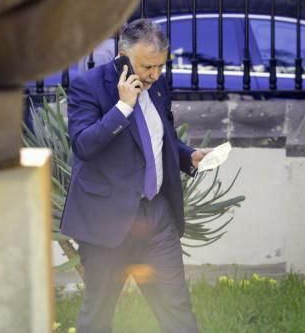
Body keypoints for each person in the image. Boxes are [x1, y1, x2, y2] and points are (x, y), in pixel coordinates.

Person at [60, 18, 207, 333]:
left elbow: (161, 137)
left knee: (177, 310)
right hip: (107, 221)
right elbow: (84, 145)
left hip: (157, 217)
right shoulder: (88, 86)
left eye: (160, 67)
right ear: (123, 55)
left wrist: (188, 157)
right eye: (147, 67)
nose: (154, 75)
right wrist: (122, 108)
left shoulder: (158, 86)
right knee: (98, 315)